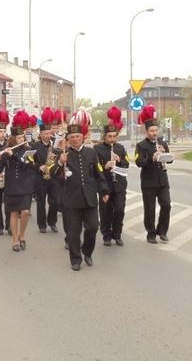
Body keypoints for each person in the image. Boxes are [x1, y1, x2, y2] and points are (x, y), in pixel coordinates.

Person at [52, 118, 109, 271]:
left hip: (90, 198)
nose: (75, 139)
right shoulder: (63, 154)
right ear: (68, 139)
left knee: (93, 227)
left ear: (82, 137)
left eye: (77, 136)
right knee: (73, 232)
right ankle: (75, 259)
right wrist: (60, 163)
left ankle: (87, 252)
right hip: (71, 200)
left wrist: (104, 190)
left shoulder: (91, 153)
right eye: (72, 137)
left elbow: (99, 173)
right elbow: (52, 174)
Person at [135, 105, 173, 244]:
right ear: (146, 131)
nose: (154, 133)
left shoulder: (162, 143)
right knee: (150, 210)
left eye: (156, 130)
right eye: (151, 131)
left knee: (166, 205)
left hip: (162, 181)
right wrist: (152, 158)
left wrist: (165, 154)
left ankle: (162, 231)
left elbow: (170, 160)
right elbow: (139, 162)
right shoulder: (141, 145)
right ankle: (151, 233)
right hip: (148, 182)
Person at [0, 125, 35, 252]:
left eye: (22, 137)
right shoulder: (6, 152)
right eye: (19, 138)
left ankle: (21, 235)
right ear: (13, 139)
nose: (21, 139)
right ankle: (14, 240)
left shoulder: (28, 150)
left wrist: (13, 155)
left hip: (25, 185)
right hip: (11, 186)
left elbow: (26, 165)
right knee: (13, 213)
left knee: (25, 212)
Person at [94, 106, 129, 247]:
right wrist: (105, 166)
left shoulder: (120, 148)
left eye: (114, 136)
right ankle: (106, 235)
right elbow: (95, 168)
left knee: (120, 210)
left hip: (119, 184)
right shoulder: (97, 149)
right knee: (105, 211)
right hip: (105, 185)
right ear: (104, 136)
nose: (112, 139)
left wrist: (119, 160)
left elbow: (126, 165)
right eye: (110, 137)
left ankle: (117, 234)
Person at [32, 107, 60, 233]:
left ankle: (52, 222)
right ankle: (42, 225)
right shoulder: (35, 146)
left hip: (53, 177)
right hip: (40, 178)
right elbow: (30, 162)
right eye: (46, 134)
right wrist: (38, 167)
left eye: (49, 134)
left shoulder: (55, 145)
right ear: (41, 134)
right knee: (41, 203)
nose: (48, 136)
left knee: (55, 202)